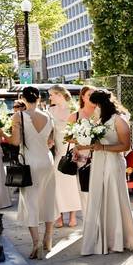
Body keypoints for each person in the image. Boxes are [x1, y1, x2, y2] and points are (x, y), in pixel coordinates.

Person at [76, 90, 133, 255]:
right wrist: (81, 145)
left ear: (101, 104)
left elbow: (125, 146)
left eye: (96, 105)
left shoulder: (118, 120)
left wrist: (103, 148)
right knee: (99, 198)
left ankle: (116, 240)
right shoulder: (98, 119)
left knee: (113, 198)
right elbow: (95, 141)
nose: (94, 108)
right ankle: (100, 238)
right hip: (99, 162)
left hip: (112, 163)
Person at [3, 86, 57, 259]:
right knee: (48, 199)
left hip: (29, 163)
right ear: (39, 98)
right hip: (47, 161)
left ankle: (37, 243)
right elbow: (51, 142)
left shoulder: (18, 116)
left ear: (22, 98)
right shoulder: (48, 115)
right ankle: (48, 238)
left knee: (30, 202)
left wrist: (2, 134)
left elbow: (15, 141)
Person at [48, 85, 82, 228]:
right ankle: (59, 216)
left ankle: (73, 216)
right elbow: (50, 130)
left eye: (51, 95)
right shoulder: (50, 110)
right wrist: (49, 139)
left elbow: (80, 130)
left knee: (72, 183)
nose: (49, 97)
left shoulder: (74, 109)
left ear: (59, 95)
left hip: (72, 149)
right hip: (57, 151)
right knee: (58, 184)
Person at [68, 85, 96, 213]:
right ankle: (88, 223)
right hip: (82, 157)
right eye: (90, 95)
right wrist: (82, 139)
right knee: (85, 191)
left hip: (100, 154)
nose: (92, 98)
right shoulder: (75, 116)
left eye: (94, 95)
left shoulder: (101, 113)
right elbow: (67, 137)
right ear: (83, 97)